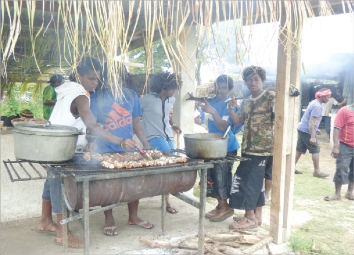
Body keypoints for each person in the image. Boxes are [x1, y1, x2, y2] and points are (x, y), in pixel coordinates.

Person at [35, 57, 137, 248]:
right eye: (90, 78)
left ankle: (45, 221)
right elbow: (91, 124)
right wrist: (120, 141)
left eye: (97, 79)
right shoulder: (81, 95)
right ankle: (63, 233)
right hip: (61, 148)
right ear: (79, 76)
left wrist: (88, 141)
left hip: (53, 145)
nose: (95, 83)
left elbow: (76, 121)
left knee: (50, 184)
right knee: (60, 188)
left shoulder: (67, 91)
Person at [89, 65, 154, 236]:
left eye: (117, 78)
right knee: (108, 186)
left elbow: (136, 123)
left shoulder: (132, 95)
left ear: (124, 79)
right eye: (110, 78)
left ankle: (133, 216)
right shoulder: (98, 97)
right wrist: (91, 142)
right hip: (105, 148)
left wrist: (145, 142)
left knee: (134, 183)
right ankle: (109, 219)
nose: (114, 82)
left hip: (129, 147)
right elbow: (93, 126)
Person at [187, 75, 243, 222]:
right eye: (218, 87)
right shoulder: (212, 100)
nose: (220, 90)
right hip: (213, 145)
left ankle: (225, 206)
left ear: (230, 89)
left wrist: (213, 112)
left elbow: (224, 126)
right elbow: (203, 100)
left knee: (221, 176)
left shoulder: (229, 104)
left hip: (226, 146)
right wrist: (193, 98)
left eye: (224, 87)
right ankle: (220, 205)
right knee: (211, 176)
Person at [227, 66, 275, 230]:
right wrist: (231, 109)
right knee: (255, 183)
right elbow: (238, 122)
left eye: (256, 79)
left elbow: (283, 112)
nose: (253, 82)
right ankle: (257, 216)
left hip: (263, 148)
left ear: (262, 80)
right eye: (249, 79)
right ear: (246, 82)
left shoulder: (270, 96)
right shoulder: (246, 101)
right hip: (248, 147)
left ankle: (249, 218)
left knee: (249, 182)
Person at [140, 72, 182, 214]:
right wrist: (142, 139)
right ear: (163, 87)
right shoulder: (146, 100)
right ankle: (166, 201)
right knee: (168, 166)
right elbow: (135, 117)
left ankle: (165, 199)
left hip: (168, 137)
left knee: (171, 167)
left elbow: (167, 116)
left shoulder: (171, 100)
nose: (174, 91)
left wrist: (174, 124)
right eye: (172, 88)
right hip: (154, 136)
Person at [295, 88, 331, 177]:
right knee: (315, 149)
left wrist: (316, 129)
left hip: (302, 128)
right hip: (306, 131)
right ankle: (317, 171)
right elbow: (311, 121)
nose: (328, 99)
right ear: (322, 96)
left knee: (299, 150)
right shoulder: (317, 106)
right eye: (327, 96)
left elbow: (309, 118)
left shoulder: (314, 102)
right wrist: (313, 136)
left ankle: (291, 167)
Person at [324, 103, 354, 201]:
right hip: (345, 146)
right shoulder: (344, 111)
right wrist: (336, 147)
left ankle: (349, 193)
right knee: (341, 168)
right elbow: (336, 128)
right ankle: (337, 194)